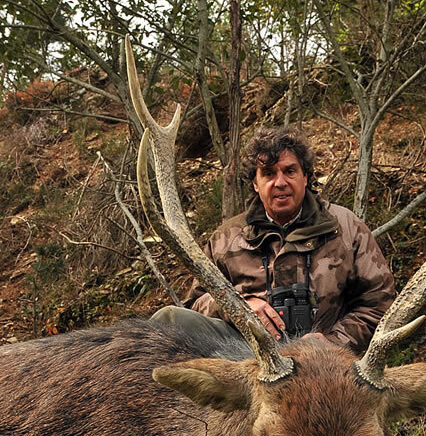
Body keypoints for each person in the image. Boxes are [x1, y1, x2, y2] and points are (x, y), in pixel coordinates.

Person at [152, 126, 395, 353]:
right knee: (169, 320)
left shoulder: (346, 227)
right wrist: (241, 307)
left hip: (324, 361)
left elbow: (379, 305)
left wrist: (333, 343)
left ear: (306, 177)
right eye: (268, 174)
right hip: (244, 354)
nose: (280, 183)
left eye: (290, 171)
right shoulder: (227, 238)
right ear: (255, 184)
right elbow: (196, 302)